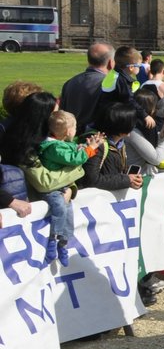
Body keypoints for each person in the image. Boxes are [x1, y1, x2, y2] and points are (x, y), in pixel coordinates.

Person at [34, 110, 100, 266]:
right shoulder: (53, 147)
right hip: (53, 189)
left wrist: (86, 146)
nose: (76, 131)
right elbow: (73, 158)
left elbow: (73, 150)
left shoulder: (61, 144)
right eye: (75, 127)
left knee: (69, 214)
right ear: (68, 131)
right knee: (60, 209)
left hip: (63, 186)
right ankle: (53, 239)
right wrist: (90, 149)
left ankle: (63, 244)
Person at [59, 42, 112, 126]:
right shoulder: (110, 84)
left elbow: (62, 114)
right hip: (96, 136)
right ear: (111, 63)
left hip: (71, 134)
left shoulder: (70, 82)